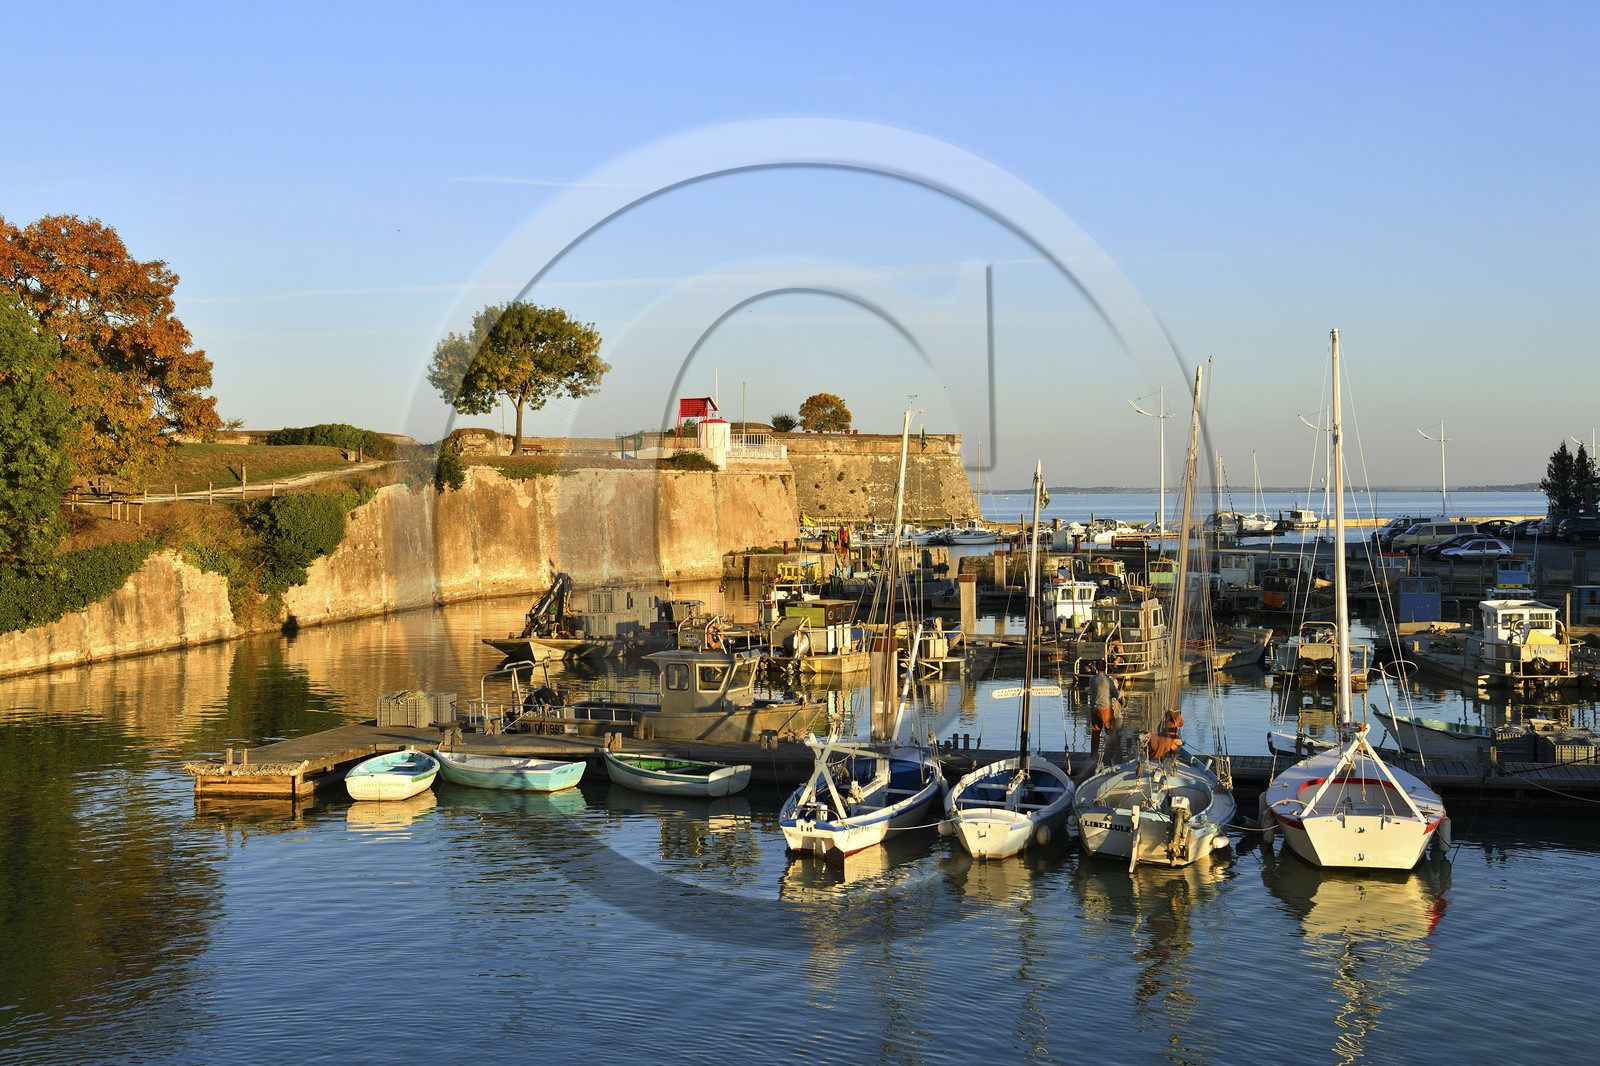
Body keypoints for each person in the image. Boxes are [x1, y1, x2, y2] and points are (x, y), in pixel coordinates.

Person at [1088, 662, 1125, 766]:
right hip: (1105, 708)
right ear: (1105, 667)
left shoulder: (1092, 679)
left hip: (1094, 708)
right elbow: (1115, 694)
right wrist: (1121, 693)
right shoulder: (1107, 679)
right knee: (1110, 732)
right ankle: (1112, 755)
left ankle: (1093, 756)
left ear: (1096, 668)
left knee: (1095, 732)